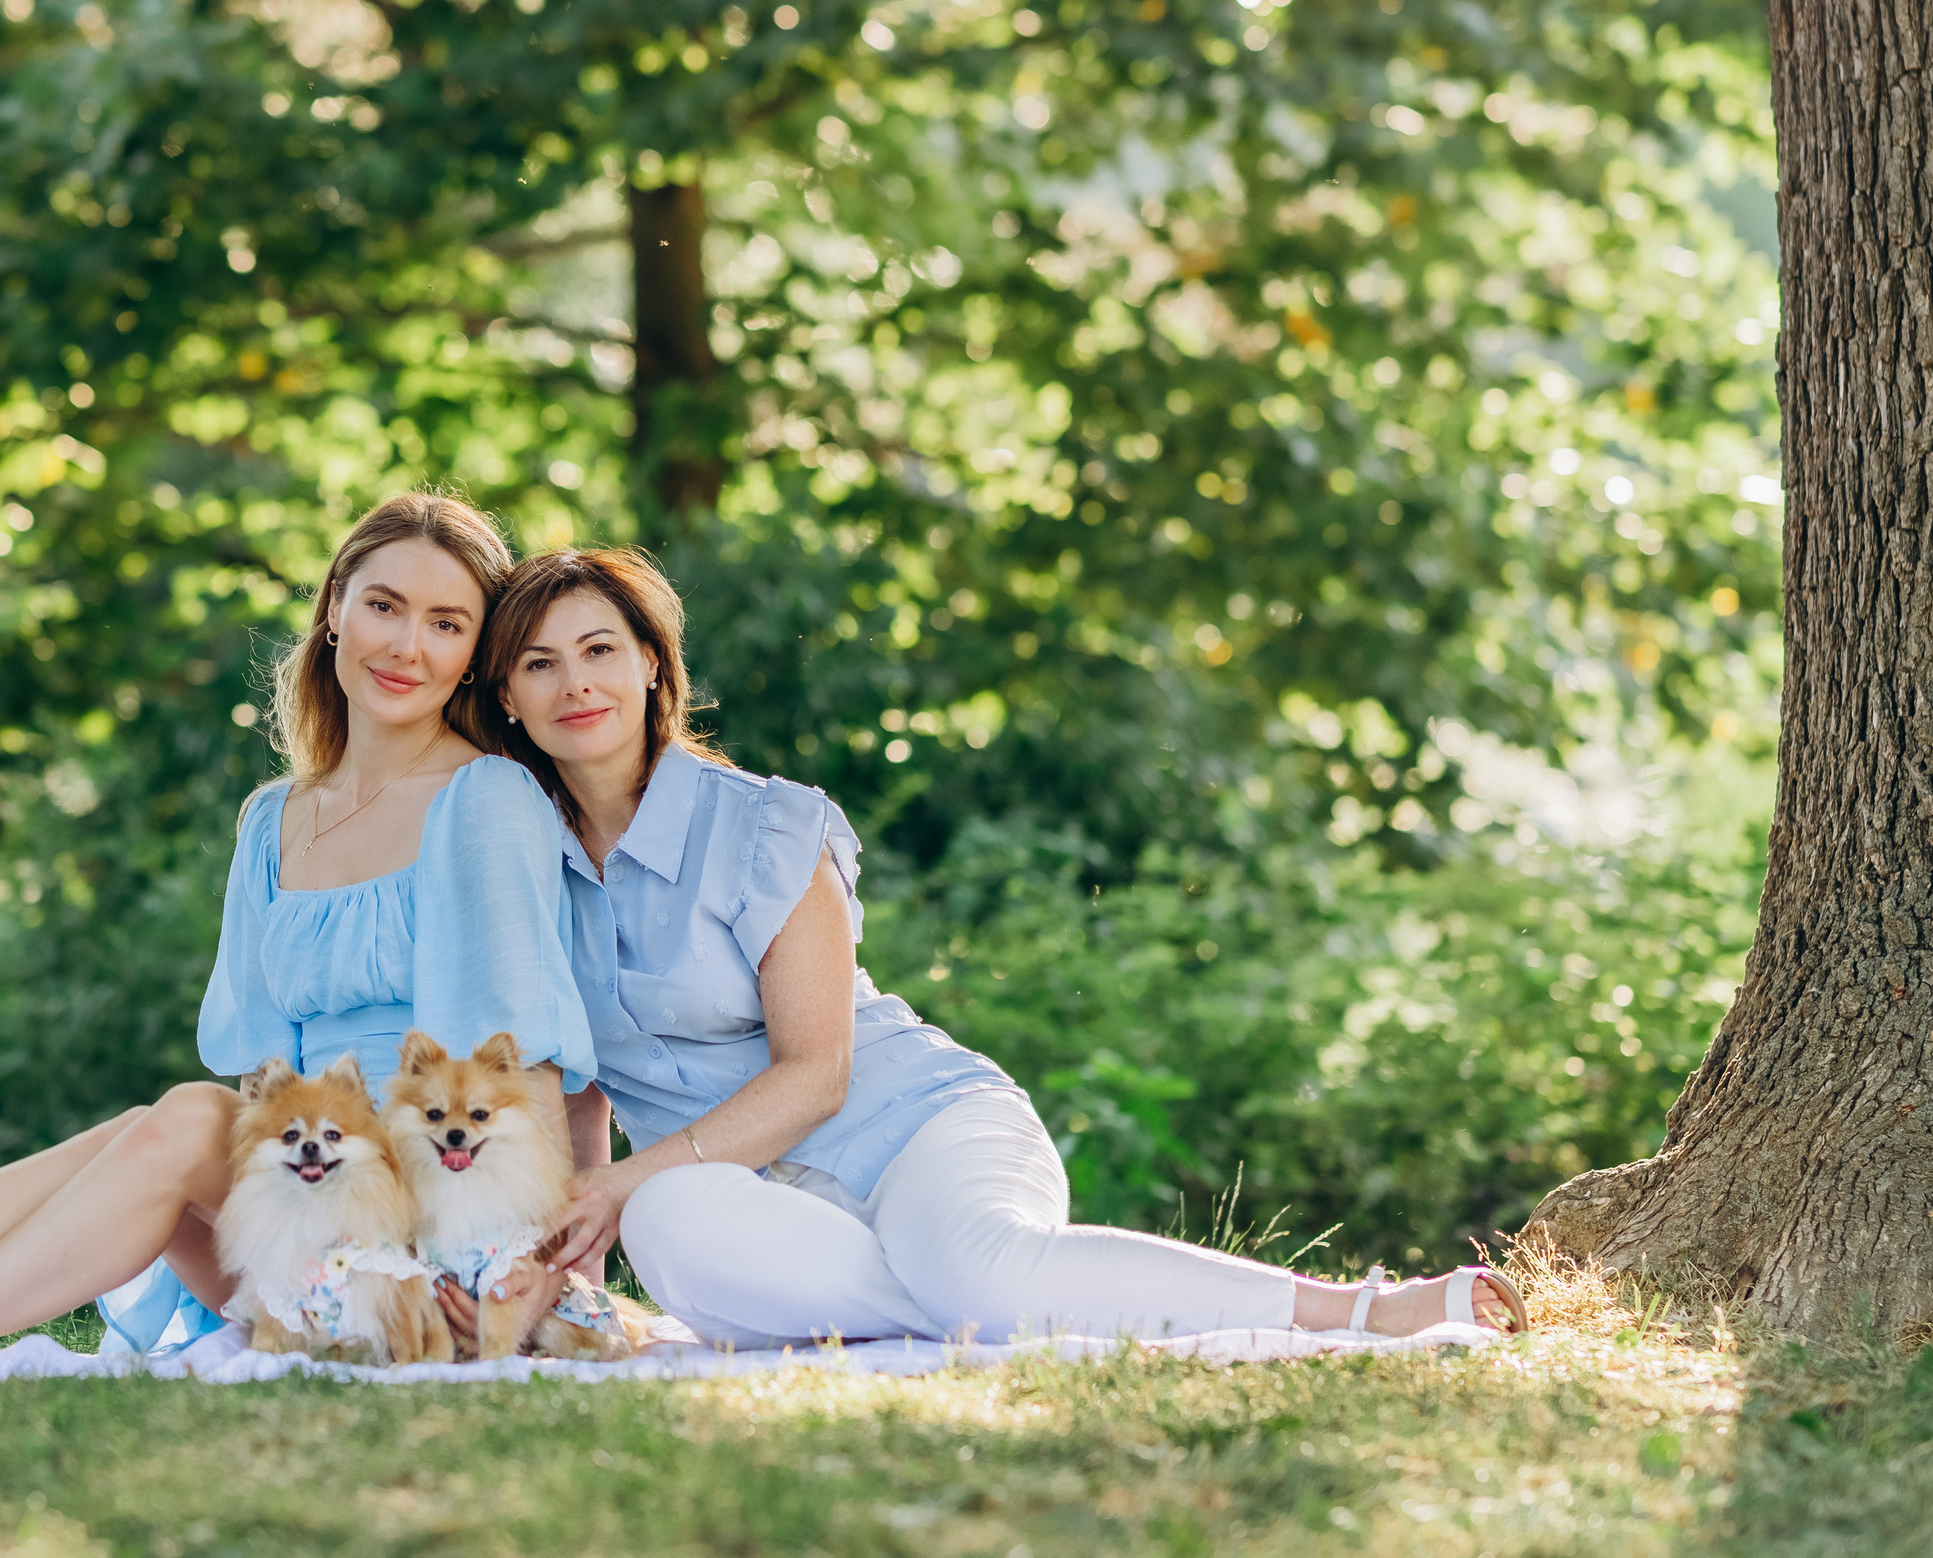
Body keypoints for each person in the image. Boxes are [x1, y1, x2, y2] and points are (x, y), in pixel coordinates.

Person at [0, 493, 599, 1371]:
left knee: (180, 1118)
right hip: (305, 1207)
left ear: (475, 653)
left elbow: (529, 1067)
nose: (406, 646)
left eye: (446, 623)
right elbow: (264, 1079)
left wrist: (541, 1270)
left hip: (431, 1244)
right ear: (334, 607)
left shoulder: (488, 798)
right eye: (384, 605)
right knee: (162, 1126)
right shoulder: (276, 819)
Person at [473, 548, 1526, 1349]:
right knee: (670, 1222)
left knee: (968, 1265)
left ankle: (1353, 1309)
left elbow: (818, 1072)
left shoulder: (764, 826)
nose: (577, 683)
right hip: (756, 1206)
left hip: (918, 1127)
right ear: (511, 700)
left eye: (600, 649)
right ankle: (980, 1308)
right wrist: (581, 1245)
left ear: (654, 665)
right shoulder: (516, 867)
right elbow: (578, 1084)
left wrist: (625, 1179)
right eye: (539, 662)